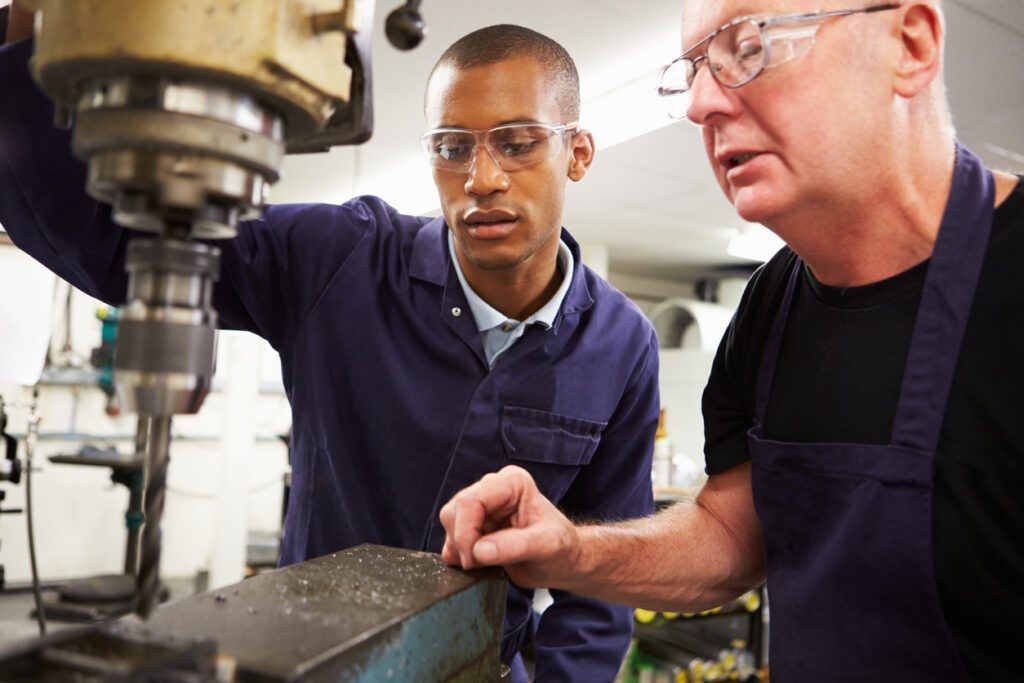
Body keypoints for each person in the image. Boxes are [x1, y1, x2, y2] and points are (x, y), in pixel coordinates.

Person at [0, 9, 661, 682]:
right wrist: (28, 34)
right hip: (306, 662)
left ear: (577, 152)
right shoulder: (338, 260)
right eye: (451, 146)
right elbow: (111, 243)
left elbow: (600, 582)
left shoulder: (622, 345)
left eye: (517, 143)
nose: (481, 178)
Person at [440, 1, 1024, 680]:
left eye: (748, 47)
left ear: (911, 43)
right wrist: (571, 550)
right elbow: (730, 534)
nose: (698, 103)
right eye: (693, 69)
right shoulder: (772, 305)